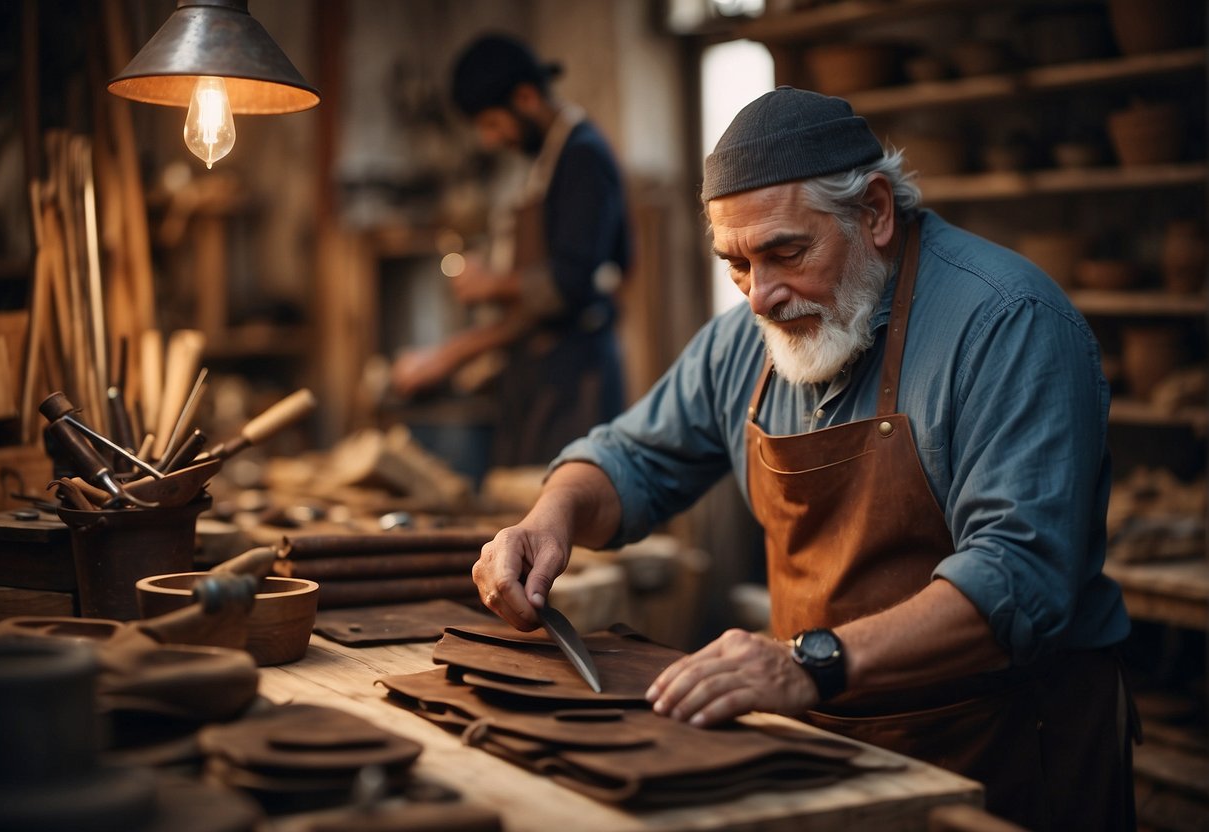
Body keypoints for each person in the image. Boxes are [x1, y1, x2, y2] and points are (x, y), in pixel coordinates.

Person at [472, 87, 1138, 830]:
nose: (758, 297)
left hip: (1006, 752)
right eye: (735, 264)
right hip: (825, 751)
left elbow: (1020, 578)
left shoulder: (1006, 324)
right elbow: (629, 458)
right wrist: (550, 515)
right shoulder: (746, 341)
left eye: (785, 252)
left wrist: (805, 662)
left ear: (875, 212)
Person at [391, 33, 630, 468]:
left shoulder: (583, 157)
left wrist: (492, 286)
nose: (489, 140)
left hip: (576, 382)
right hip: (540, 377)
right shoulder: (550, 161)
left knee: (569, 514)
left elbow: (568, 283)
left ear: (525, 97)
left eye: (491, 124)